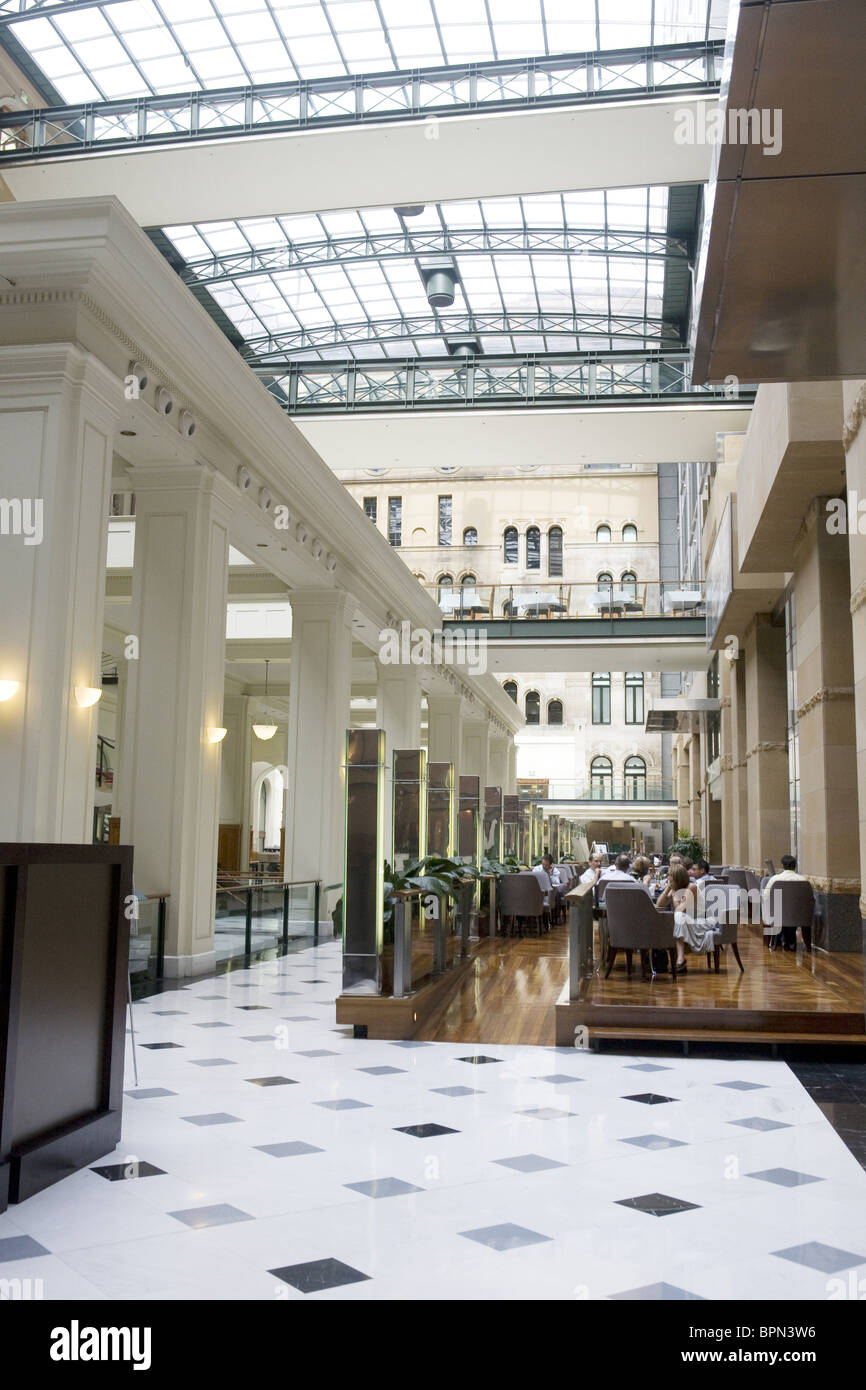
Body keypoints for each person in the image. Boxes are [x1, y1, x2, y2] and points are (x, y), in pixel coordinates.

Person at [656, 864, 715, 973]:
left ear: (678, 879)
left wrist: (673, 895)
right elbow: (659, 904)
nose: (669, 881)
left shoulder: (691, 887)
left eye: (671, 880)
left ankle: (680, 960)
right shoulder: (676, 888)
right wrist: (668, 888)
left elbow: (679, 909)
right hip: (689, 922)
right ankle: (664, 960)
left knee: (679, 917)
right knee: (674, 920)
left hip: (703, 921)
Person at [763, 855, 811, 949]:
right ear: (795, 865)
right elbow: (809, 899)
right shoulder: (803, 880)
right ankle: (791, 940)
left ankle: (780, 940)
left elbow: (766, 897)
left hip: (778, 915)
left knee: (780, 911)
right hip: (798, 915)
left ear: (782, 865)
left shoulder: (775, 879)